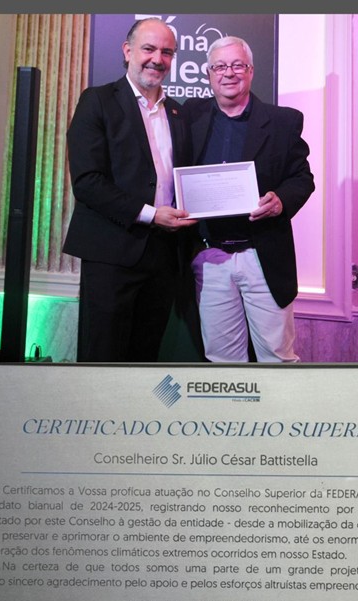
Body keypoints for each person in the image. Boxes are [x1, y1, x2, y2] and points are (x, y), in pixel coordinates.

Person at [63, 18, 197, 362]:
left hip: (163, 256)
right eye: (148, 49)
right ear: (127, 51)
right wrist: (152, 215)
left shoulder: (178, 112)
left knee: (145, 358)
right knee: (103, 358)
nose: (157, 59)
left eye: (166, 52)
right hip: (112, 254)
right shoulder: (97, 101)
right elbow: (87, 181)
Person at [183, 36, 314, 362]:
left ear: (251, 71)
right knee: (222, 360)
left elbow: (302, 179)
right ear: (209, 74)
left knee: (277, 358)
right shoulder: (189, 116)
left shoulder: (283, 122)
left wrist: (281, 200)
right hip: (210, 256)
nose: (228, 73)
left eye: (237, 65)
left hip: (262, 255)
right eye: (219, 66)